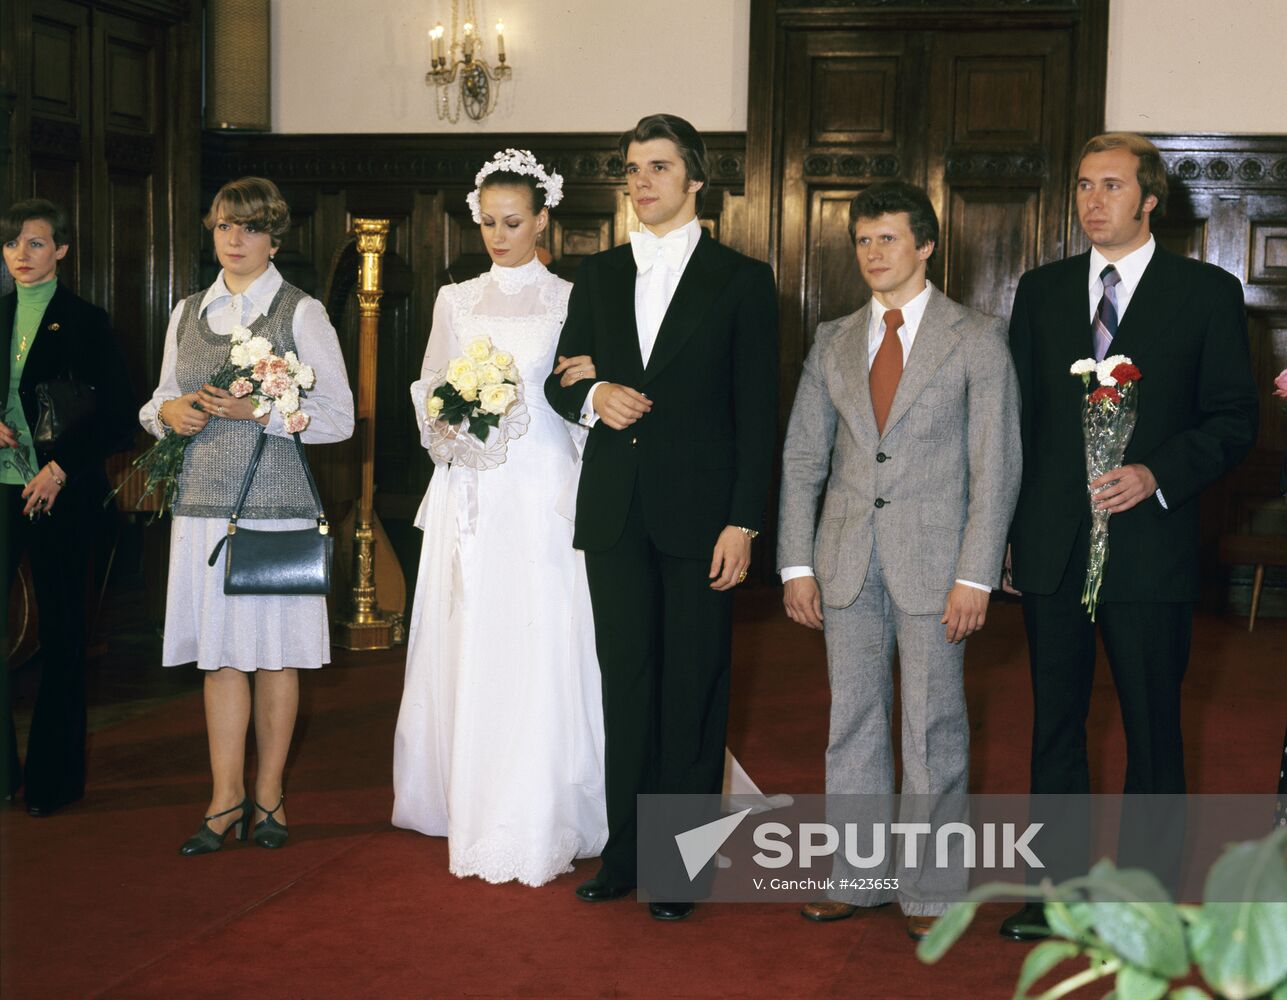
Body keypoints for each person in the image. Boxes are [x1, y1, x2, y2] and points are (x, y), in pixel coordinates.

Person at [1001, 133, 1258, 938]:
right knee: (1053, 727)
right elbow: (1017, 428)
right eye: (1081, 186)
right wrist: (1010, 537)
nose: (1091, 202)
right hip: (1051, 546)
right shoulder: (1039, 293)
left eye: (1109, 186)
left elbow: (1232, 421)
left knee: (1152, 727)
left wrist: (1155, 475)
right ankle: (1056, 893)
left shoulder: (1205, 293)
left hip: (1150, 548)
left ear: (1150, 199)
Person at [544, 114, 779, 920]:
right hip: (615, 513)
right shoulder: (598, 274)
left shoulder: (742, 279)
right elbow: (559, 379)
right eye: (631, 169)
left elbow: (759, 417)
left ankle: (682, 869)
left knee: (694, 689)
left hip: (703, 518)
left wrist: (742, 523)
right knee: (628, 688)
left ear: (694, 180)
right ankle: (624, 853)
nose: (640, 181)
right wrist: (591, 395)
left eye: (657, 167)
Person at [777, 181, 1021, 941]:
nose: (873, 254)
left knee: (932, 726)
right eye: (862, 240)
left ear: (924, 245)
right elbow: (801, 458)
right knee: (850, 722)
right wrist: (794, 564)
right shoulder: (832, 339)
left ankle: (929, 887)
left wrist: (975, 573)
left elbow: (996, 466)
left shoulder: (975, 337)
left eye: (887, 239)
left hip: (936, 564)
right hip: (843, 557)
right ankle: (857, 878)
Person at [391, 149, 611, 885]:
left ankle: (547, 793)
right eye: (486, 222)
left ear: (543, 219)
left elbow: (580, 391)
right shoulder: (456, 299)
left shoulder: (571, 298)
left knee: (543, 624)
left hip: (543, 477)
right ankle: (469, 788)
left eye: (512, 222)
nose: (497, 235)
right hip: (475, 484)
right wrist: (451, 422)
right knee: (474, 622)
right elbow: (429, 382)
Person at [140, 177, 354, 855]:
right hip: (201, 508)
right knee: (221, 659)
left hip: (275, 510)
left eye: (251, 228)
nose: (236, 240)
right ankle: (223, 798)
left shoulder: (302, 312)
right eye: (225, 227)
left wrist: (260, 411)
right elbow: (159, 403)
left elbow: (340, 421)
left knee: (276, 658)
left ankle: (270, 797)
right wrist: (168, 414)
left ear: (274, 238)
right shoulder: (186, 311)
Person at [0, 198, 135, 814]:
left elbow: (117, 418)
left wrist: (59, 468)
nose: (19, 256)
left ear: (60, 250)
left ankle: (53, 782)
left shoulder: (85, 320)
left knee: (59, 638)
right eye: (10, 245)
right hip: (2, 489)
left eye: (33, 243)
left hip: (62, 493)